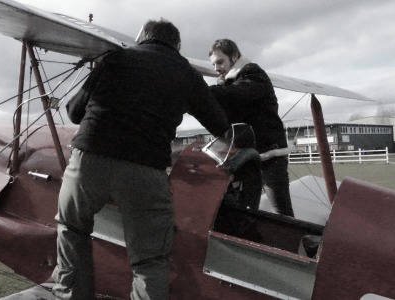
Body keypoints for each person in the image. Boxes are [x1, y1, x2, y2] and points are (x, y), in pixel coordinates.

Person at [51, 19, 230, 299]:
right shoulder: (187, 74)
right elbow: (220, 124)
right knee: (150, 260)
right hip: (146, 170)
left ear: (142, 38)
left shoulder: (116, 58)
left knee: (72, 229)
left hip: (90, 159)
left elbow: (75, 112)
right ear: (177, 46)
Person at [208, 39, 295, 217]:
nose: (216, 68)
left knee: (282, 212)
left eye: (220, 62)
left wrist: (199, 89)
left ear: (233, 56)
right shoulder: (228, 83)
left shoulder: (253, 74)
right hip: (247, 159)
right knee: (245, 210)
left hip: (271, 155)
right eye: (214, 64)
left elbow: (236, 95)